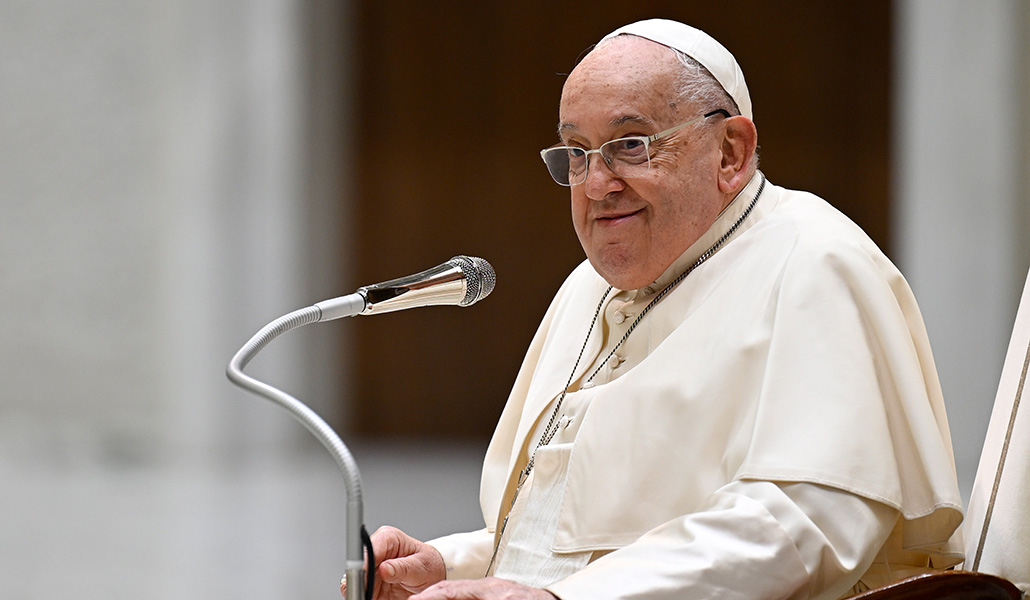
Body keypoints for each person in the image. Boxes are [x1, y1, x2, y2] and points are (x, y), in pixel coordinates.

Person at [343, 18, 964, 600]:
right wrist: (447, 567)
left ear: (730, 152)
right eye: (576, 153)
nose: (595, 184)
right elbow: (577, 537)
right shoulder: (588, 286)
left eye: (630, 146)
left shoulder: (815, 262)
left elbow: (803, 521)